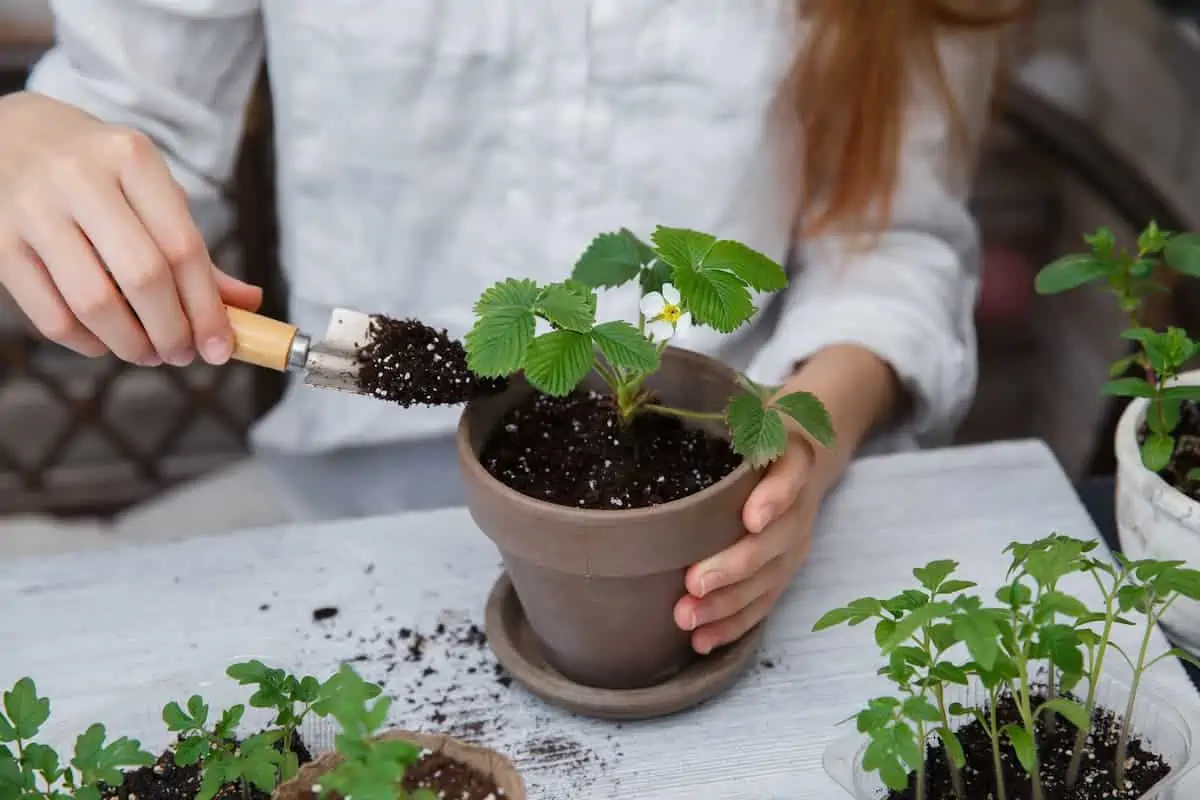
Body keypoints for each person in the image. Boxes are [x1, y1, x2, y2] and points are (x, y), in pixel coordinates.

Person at [0, 1, 1018, 655]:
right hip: (352, 511)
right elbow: (132, 121)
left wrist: (803, 429)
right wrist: (33, 145)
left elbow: (895, 243)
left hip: (719, 510)